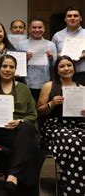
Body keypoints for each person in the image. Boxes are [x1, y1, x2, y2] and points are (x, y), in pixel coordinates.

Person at [0, 55, 44, 194]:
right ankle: (17, 175)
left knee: (26, 127)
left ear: (15, 70)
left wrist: (20, 121)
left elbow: (33, 114)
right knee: (34, 151)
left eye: (11, 67)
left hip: (19, 130)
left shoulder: (23, 88)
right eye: (4, 66)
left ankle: (12, 176)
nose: (8, 69)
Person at [37, 56, 85, 196]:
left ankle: (74, 181)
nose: (66, 69)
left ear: (74, 68)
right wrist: (51, 104)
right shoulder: (50, 86)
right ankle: (73, 188)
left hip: (78, 125)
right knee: (73, 142)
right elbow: (39, 111)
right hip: (54, 126)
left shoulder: (81, 88)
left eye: (69, 65)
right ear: (57, 70)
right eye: (62, 66)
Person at [17, 19, 57, 101]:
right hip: (26, 83)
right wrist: (25, 59)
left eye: (40, 27)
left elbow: (56, 66)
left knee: (42, 108)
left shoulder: (51, 45)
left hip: (45, 83)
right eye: (34, 27)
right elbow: (16, 66)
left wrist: (51, 59)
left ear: (44, 29)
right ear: (29, 29)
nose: (37, 30)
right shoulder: (21, 44)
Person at [52, 7, 85, 85]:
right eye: (69, 16)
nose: (72, 18)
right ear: (65, 19)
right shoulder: (57, 36)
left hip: (83, 73)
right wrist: (58, 55)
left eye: (75, 16)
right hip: (64, 75)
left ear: (81, 18)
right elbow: (53, 56)